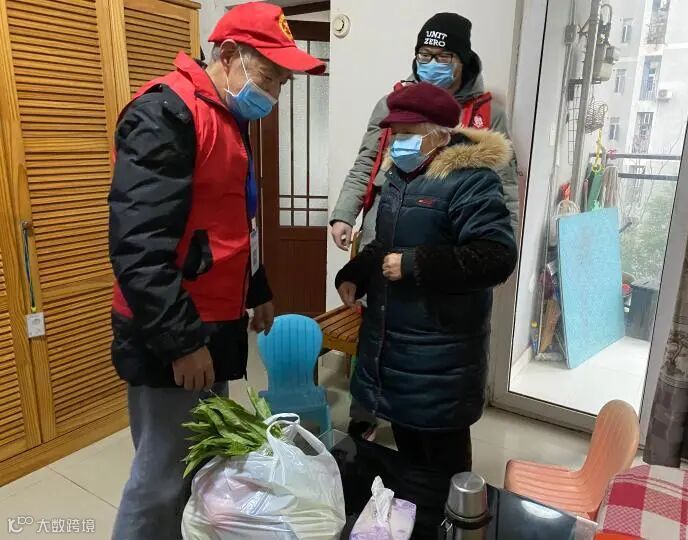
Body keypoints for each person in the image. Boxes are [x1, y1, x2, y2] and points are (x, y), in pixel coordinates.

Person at [108, 3, 325, 539]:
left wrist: (257, 288)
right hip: (174, 332)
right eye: (269, 78)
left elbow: (229, 223)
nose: (273, 96)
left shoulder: (225, 116)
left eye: (282, 84)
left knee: (202, 464)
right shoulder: (165, 114)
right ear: (228, 56)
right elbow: (138, 247)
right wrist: (182, 342)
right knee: (161, 481)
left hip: (213, 324)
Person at [330, 12, 519, 439]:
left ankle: (423, 428)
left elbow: (503, 195)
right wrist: (345, 215)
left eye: (443, 56)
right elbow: (367, 161)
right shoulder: (393, 113)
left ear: (463, 61)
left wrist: (499, 245)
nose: (431, 64)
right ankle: (369, 410)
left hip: (447, 245)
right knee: (379, 326)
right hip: (389, 233)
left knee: (431, 338)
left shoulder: (485, 122)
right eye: (424, 55)